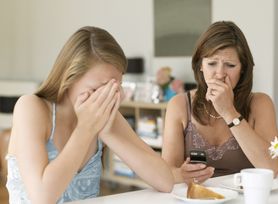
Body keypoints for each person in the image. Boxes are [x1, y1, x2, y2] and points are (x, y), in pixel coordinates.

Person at [6, 26, 173, 204]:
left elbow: (165, 181)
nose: (107, 97)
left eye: (115, 88)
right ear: (70, 77)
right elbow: (41, 198)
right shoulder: (32, 108)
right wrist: (85, 129)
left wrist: (108, 133)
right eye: (97, 89)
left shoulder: (103, 114)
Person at [161, 21, 278, 184]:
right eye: (211, 63)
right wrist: (180, 174)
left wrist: (229, 112)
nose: (219, 74)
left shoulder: (260, 103)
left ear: (243, 68)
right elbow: (167, 173)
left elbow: (272, 168)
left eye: (230, 65)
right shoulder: (179, 105)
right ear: (201, 65)